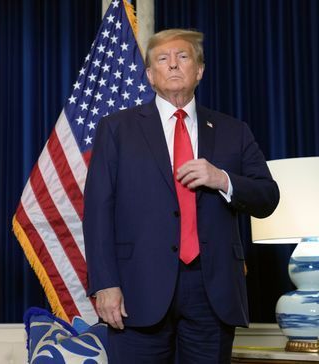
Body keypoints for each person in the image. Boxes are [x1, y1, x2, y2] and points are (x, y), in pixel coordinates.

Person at [83, 28, 279, 363]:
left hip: (212, 291)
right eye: (163, 58)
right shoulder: (116, 129)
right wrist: (105, 285)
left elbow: (267, 197)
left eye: (183, 56)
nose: (173, 65)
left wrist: (222, 179)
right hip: (137, 290)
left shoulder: (234, 130)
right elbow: (98, 211)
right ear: (150, 75)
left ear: (199, 71)